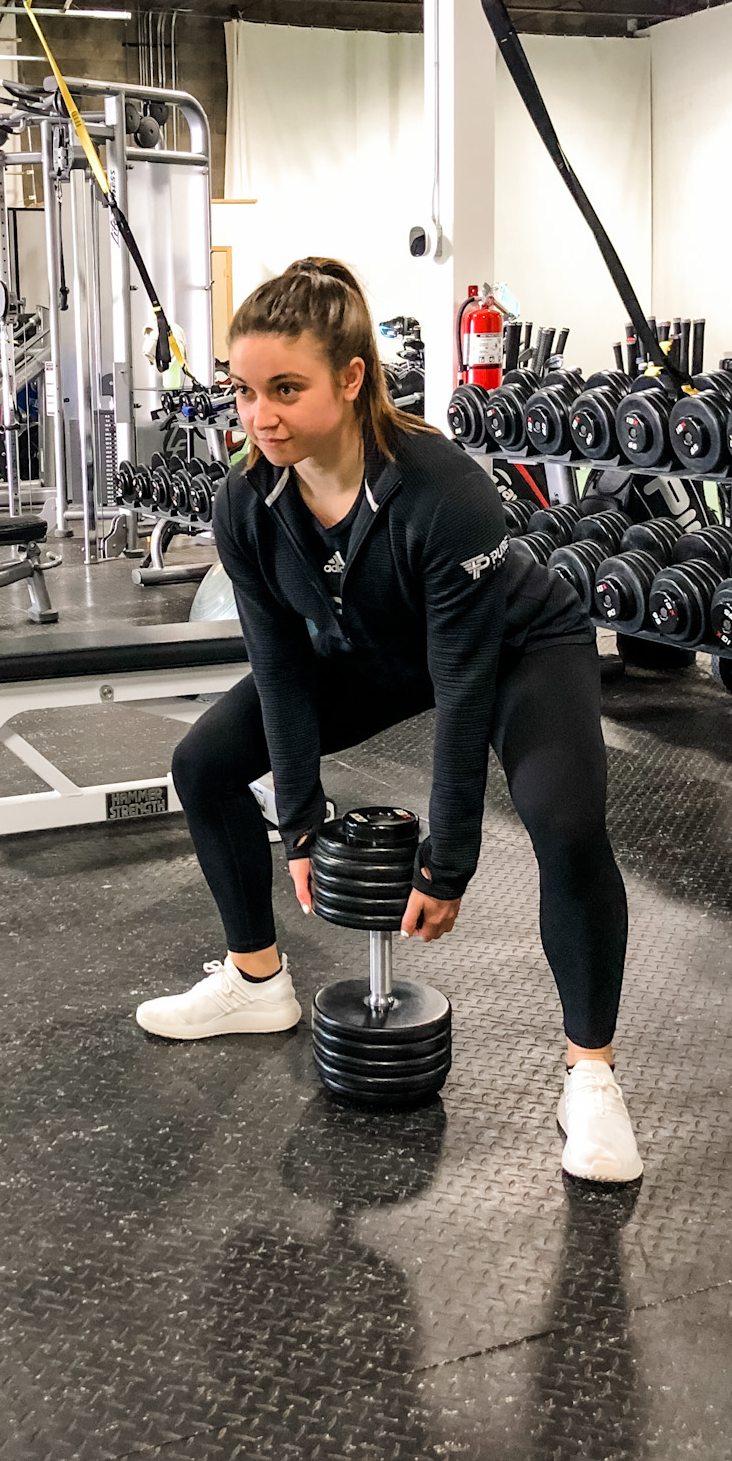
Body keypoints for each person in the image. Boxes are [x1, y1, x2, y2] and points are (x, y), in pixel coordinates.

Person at [135, 258, 642, 1184]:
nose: (259, 416)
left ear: (351, 378)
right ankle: (255, 980)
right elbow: (280, 669)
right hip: (370, 651)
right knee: (203, 764)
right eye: (243, 391)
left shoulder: (441, 489)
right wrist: (299, 822)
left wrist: (448, 862)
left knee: (566, 823)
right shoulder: (247, 501)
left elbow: (463, 684)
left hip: (517, 647)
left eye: (286, 389)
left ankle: (591, 1074)